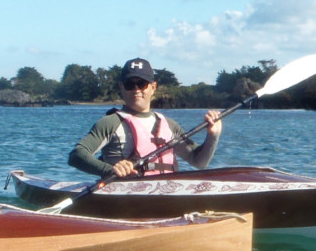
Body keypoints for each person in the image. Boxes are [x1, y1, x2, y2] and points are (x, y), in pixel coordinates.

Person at [68, 57, 222, 178]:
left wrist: (213, 135)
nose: (136, 89)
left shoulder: (169, 125)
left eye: (142, 84)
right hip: (125, 193)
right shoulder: (110, 123)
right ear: (121, 87)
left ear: (153, 87)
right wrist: (111, 170)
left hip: (165, 193)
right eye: (130, 84)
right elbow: (76, 155)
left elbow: (199, 162)